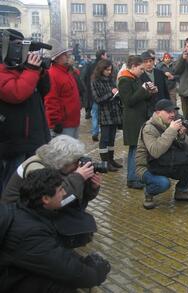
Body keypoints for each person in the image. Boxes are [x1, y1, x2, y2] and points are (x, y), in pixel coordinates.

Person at [0, 168, 110, 292]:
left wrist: (82, 262)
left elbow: (56, 253)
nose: (64, 193)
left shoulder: (26, 209)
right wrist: (96, 274)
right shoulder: (30, 233)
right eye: (61, 190)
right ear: (46, 199)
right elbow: (66, 269)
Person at [0, 29, 51, 194]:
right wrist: (30, 70)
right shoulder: (4, 71)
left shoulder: (22, 69)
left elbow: (45, 90)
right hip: (13, 143)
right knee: (12, 189)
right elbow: (17, 93)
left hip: (32, 139)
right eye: (17, 47)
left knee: (30, 187)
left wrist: (40, 73)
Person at [136, 100, 188, 209]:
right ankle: (149, 192)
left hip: (165, 162)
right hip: (147, 166)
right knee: (164, 184)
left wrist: (182, 136)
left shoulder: (171, 124)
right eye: (168, 111)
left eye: (173, 111)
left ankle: (182, 191)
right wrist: (171, 131)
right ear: (157, 113)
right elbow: (155, 151)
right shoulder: (149, 128)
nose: (172, 114)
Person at [118, 55, 155, 189]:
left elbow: (140, 97)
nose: (142, 71)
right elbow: (129, 101)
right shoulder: (124, 80)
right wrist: (143, 89)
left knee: (138, 149)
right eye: (140, 69)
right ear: (133, 67)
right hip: (132, 120)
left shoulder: (134, 78)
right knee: (134, 149)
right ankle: (132, 178)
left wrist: (150, 92)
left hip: (139, 118)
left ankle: (136, 176)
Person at [44, 39, 81, 139]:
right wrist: (55, 122)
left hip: (73, 121)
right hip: (64, 124)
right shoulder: (52, 74)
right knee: (65, 153)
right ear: (56, 58)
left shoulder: (66, 72)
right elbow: (51, 100)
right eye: (64, 54)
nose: (67, 56)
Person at [91, 59, 123, 171]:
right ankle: (105, 162)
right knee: (104, 139)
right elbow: (98, 99)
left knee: (112, 139)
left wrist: (118, 94)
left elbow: (115, 92)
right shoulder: (95, 81)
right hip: (105, 113)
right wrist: (111, 93)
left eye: (110, 70)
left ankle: (111, 160)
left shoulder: (110, 80)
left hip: (114, 112)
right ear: (101, 69)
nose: (109, 72)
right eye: (107, 70)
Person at [82, 50, 109, 141]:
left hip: (92, 94)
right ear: (102, 56)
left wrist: (87, 90)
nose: (107, 56)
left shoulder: (89, 65)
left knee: (95, 114)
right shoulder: (104, 66)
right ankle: (104, 133)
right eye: (106, 55)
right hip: (104, 94)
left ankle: (95, 132)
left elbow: (84, 77)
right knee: (104, 114)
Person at [140, 50, 170, 117]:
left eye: (150, 61)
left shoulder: (160, 73)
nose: (148, 64)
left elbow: (165, 91)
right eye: (146, 62)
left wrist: (168, 105)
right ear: (142, 63)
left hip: (161, 107)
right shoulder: (140, 76)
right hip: (147, 110)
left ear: (153, 62)